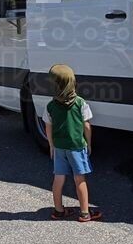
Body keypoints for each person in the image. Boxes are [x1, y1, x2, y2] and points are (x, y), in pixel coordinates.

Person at [44, 64, 102, 222]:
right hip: (77, 147)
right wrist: (88, 143)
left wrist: (51, 145)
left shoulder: (50, 106)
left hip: (59, 147)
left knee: (58, 179)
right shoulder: (80, 103)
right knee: (79, 179)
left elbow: (48, 127)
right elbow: (87, 126)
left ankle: (59, 210)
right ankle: (84, 212)